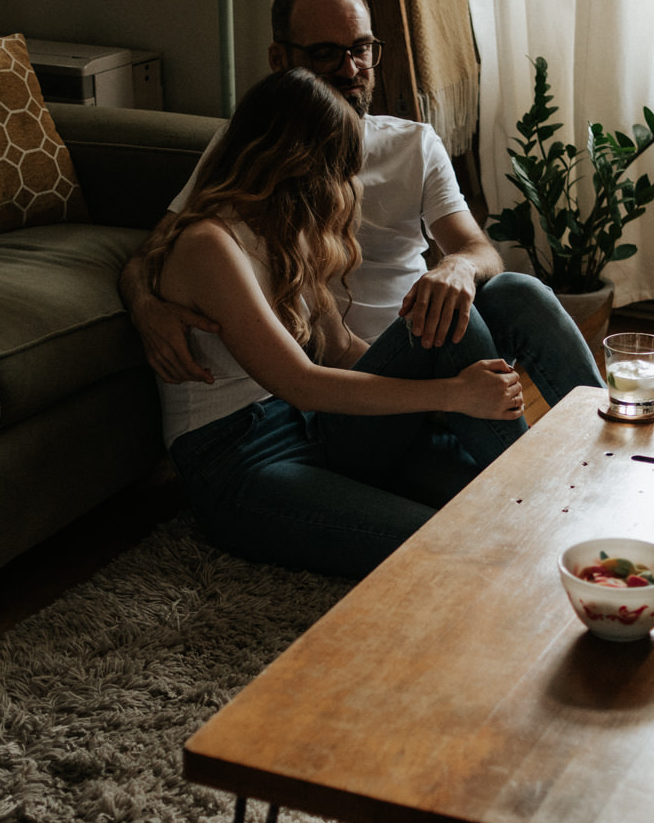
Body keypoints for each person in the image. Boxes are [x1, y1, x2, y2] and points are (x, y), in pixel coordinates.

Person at [120, 0, 600, 489]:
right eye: (327, 53)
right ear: (281, 60)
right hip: (343, 393)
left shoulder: (413, 145)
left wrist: (456, 268)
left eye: (363, 49)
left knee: (515, 294)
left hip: (402, 362)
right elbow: (160, 251)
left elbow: (477, 248)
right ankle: (535, 490)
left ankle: (611, 444)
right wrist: (145, 307)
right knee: (469, 493)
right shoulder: (256, 166)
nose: (351, 69)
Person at [142, 68, 526, 578]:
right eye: (340, 168)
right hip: (240, 464)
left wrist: (429, 387)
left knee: (458, 318)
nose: (347, 185)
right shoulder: (209, 244)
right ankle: (532, 488)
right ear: (297, 162)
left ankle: (536, 485)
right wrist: (450, 394)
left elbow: (341, 349)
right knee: (444, 548)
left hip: (312, 433)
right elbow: (301, 383)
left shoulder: (285, 233)